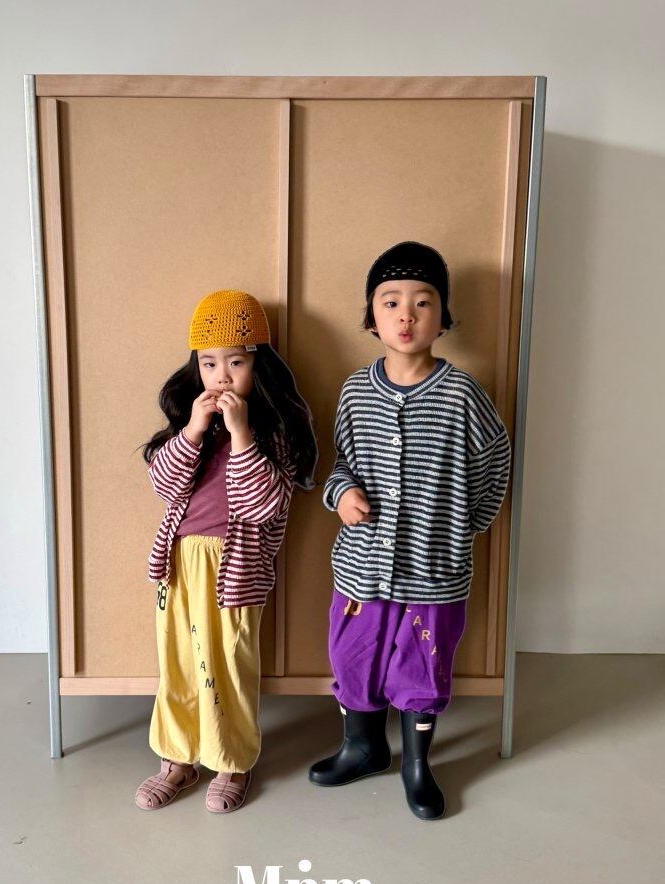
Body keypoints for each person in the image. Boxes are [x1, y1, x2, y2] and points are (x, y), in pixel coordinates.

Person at [308, 241, 511, 820]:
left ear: (442, 318)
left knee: (423, 664)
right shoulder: (355, 391)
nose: (406, 315)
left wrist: (467, 525)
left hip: (433, 569)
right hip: (361, 567)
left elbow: (496, 460)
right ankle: (363, 747)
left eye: (423, 302)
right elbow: (342, 464)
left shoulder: (462, 394)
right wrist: (341, 494)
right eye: (391, 302)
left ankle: (417, 764)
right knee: (354, 657)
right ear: (371, 318)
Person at [136, 289, 317, 814]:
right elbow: (165, 485)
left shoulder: (271, 432)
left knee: (228, 667)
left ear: (259, 366)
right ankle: (177, 759)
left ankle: (232, 761)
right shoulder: (190, 428)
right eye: (209, 363)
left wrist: (240, 434)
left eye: (236, 362)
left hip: (235, 570)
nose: (221, 376)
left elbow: (261, 505)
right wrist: (195, 429)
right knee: (177, 665)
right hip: (178, 565)